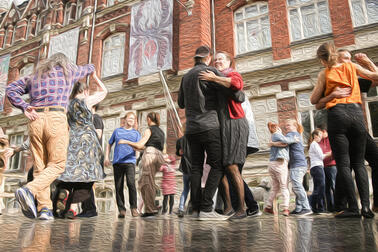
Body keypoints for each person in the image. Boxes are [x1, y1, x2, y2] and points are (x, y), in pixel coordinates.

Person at [6, 53, 95, 220]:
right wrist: (94, 72)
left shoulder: (34, 76)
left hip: (35, 120)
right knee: (58, 164)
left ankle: (45, 209)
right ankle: (28, 190)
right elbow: (88, 68)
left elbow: (10, 89)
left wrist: (24, 106)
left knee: (40, 167)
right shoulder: (69, 72)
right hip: (56, 118)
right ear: (64, 63)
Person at [310, 42, 378, 218]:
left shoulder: (325, 73)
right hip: (357, 114)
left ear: (322, 59)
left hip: (338, 115)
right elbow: (375, 76)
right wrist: (367, 61)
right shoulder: (351, 66)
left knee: (344, 165)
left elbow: (314, 100)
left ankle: (353, 208)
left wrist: (332, 95)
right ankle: (366, 208)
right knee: (359, 164)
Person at [178, 46, 238, 221]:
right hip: (210, 125)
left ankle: (195, 208)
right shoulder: (211, 71)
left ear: (195, 58)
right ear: (209, 57)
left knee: (196, 167)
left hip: (191, 128)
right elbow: (232, 90)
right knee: (218, 164)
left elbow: (181, 103)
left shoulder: (186, 76)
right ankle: (206, 207)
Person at [198, 51, 250, 219]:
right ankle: (228, 207)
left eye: (221, 59)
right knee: (221, 165)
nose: (218, 61)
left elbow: (237, 84)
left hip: (234, 123)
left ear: (229, 61)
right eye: (216, 60)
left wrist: (214, 78)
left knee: (232, 166)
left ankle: (241, 208)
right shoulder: (215, 80)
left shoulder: (231, 73)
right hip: (221, 125)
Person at [54, 72, 107, 219]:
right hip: (88, 139)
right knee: (87, 174)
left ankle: (64, 194)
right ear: (85, 91)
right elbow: (104, 91)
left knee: (70, 171)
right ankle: (76, 202)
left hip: (73, 138)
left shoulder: (68, 104)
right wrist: (96, 77)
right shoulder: (87, 101)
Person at [118, 112, 165, 218]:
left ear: (148, 119)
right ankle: (150, 208)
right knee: (148, 182)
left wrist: (126, 141)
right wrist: (133, 147)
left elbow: (141, 144)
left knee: (146, 183)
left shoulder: (149, 130)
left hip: (150, 155)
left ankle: (150, 210)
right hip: (159, 156)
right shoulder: (161, 131)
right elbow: (143, 147)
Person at [105, 112, 141, 218]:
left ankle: (134, 208)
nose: (131, 120)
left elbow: (139, 146)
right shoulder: (117, 131)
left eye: (133, 119)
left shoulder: (136, 133)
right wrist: (107, 157)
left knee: (131, 184)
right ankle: (121, 209)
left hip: (130, 161)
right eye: (130, 118)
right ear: (125, 119)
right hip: (117, 162)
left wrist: (137, 156)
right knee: (118, 186)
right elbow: (109, 143)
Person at [264, 122, 298, 216]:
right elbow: (286, 140)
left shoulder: (273, 137)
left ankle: (268, 206)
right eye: (278, 127)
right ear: (276, 128)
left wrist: (274, 144)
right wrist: (294, 139)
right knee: (284, 187)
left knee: (275, 187)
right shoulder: (277, 134)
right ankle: (285, 208)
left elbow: (283, 143)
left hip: (272, 164)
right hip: (280, 164)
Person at [77, 104, 104, 218]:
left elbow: (98, 135)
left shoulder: (96, 118)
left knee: (86, 182)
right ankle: (87, 209)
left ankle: (91, 210)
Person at [284, 119, 313, 216]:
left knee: (297, 187)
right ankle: (299, 208)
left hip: (297, 165)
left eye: (288, 125)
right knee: (297, 187)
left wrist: (274, 139)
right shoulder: (297, 135)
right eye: (286, 125)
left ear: (295, 126)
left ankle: (306, 207)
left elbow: (282, 141)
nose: (286, 127)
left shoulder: (291, 135)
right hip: (300, 164)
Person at [308, 129, 332, 213]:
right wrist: (330, 153)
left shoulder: (313, 144)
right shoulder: (314, 144)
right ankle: (317, 206)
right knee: (321, 187)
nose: (321, 137)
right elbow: (321, 156)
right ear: (315, 136)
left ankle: (316, 207)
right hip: (317, 167)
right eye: (320, 135)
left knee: (318, 187)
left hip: (315, 167)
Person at [317, 126, 337, 212]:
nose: (320, 135)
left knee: (334, 185)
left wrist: (329, 154)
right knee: (326, 188)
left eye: (321, 132)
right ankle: (330, 207)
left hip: (332, 165)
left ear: (324, 131)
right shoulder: (319, 141)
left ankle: (338, 205)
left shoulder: (332, 139)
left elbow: (335, 151)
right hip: (323, 166)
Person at [176, 134, 191, 218]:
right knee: (194, 189)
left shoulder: (180, 140)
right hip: (194, 168)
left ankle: (181, 208)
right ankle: (192, 208)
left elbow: (178, 153)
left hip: (185, 168)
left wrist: (179, 152)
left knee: (185, 189)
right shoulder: (196, 138)